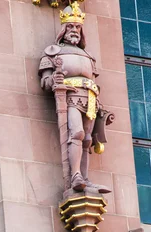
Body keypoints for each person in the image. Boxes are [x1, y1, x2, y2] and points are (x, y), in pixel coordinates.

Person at [38, 1, 111, 193]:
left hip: (90, 100)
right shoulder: (52, 53)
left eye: (78, 27)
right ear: (63, 29)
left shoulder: (88, 56)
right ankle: (75, 175)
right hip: (69, 98)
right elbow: (45, 82)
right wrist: (55, 78)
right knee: (76, 133)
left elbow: (95, 83)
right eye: (70, 26)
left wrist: (101, 108)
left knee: (87, 138)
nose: (74, 30)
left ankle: (85, 178)